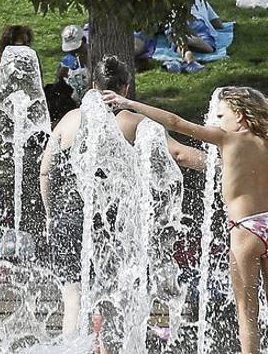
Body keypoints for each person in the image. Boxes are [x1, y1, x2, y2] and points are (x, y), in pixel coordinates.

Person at [40, 56, 205, 339]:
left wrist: (50, 215)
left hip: (67, 220)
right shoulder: (132, 121)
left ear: (94, 86)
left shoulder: (70, 119)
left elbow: (45, 171)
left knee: (74, 298)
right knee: (114, 296)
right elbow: (179, 154)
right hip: (111, 224)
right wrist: (227, 160)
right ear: (125, 89)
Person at [101, 86, 268, 354]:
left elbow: (176, 123)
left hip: (245, 232)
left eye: (220, 116)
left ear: (239, 116)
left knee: (247, 312)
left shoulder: (228, 140)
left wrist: (129, 102)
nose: (216, 122)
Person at [57, 25, 90, 103]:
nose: (74, 53)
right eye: (71, 51)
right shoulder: (66, 63)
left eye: (77, 49)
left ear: (84, 41)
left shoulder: (95, 57)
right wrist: (60, 78)